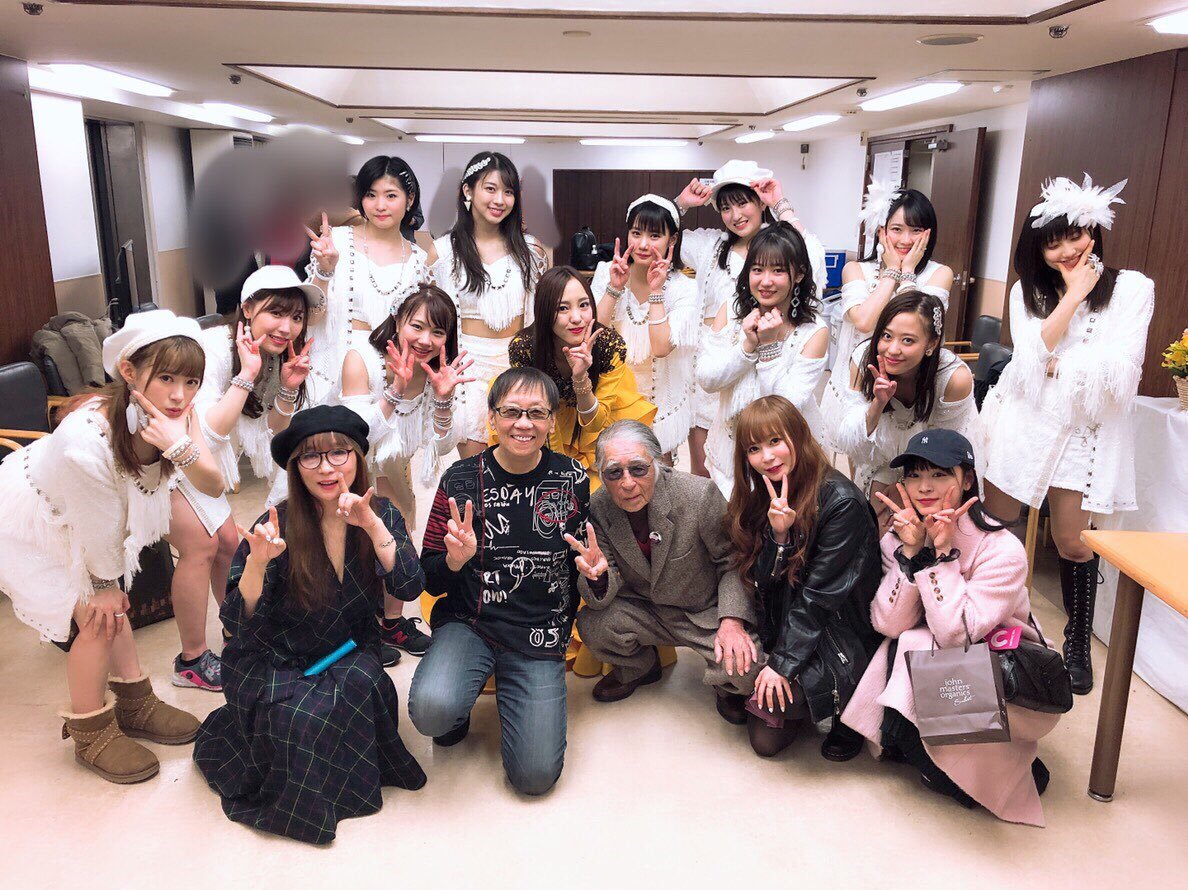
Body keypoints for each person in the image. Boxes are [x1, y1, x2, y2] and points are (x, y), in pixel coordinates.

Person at [0, 311, 221, 783]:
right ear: (129, 371)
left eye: (191, 381)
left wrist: (178, 444)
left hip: (90, 514)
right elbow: (97, 522)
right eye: (166, 378)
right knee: (98, 617)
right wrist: (102, 586)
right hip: (38, 518)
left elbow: (214, 483)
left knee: (114, 605)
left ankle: (135, 703)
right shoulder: (86, 439)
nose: (180, 395)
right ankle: (90, 732)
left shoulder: (175, 416)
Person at [194, 405, 427, 845]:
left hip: (345, 648)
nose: (326, 467)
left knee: (365, 684)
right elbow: (239, 624)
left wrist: (372, 525)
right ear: (295, 467)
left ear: (358, 457)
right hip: (274, 656)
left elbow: (410, 585)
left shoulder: (380, 514)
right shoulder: (276, 523)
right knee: (299, 716)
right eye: (310, 456)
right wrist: (258, 564)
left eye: (339, 452)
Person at [976, 174, 1151, 694]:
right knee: (998, 523)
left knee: (1073, 540)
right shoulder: (1026, 292)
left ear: (1094, 232)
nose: (1068, 250)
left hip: (1084, 431)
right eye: (1053, 243)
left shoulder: (1133, 289)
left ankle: (1077, 639)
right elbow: (1027, 361)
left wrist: (1055, 365)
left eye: (1075, 235)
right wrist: (1073, 296)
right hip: (1023, 420)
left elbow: (1122, 372)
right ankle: (997, 621)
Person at [842, 429, 1061, 826]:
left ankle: (996, 762)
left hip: (1001, 675)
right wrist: (912, 551)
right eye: (914, 475)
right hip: (930, 668)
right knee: (908, 643)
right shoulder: (901, 535)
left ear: (967, 480)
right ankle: (928, 745)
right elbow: (888, 623)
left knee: (916, 644)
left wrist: (942, 555)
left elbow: (957, 634)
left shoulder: (1002, 547)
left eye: (939, 474)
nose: (924, 487)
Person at [409, 368, 589, 795]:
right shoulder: (460, 480)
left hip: (539, 632)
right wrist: (454, 562)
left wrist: (596, 577)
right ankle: (458, 706)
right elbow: (428, 576)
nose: (523, 424)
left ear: (551, 421)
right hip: (470, 624)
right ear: (492, 417)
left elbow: (584, 569)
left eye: (536, 413)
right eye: (511, 412)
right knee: (432, 712)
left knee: (534, 778)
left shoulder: (573, 478)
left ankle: (516, 687)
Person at [180, 266, 323, 685]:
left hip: (200, 465)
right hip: (170, 455)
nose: (286, 327)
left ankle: (236, 635)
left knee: (229, 543)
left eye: (296, 317)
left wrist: (289, 386)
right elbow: (209, 433)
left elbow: (274, 430)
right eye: (275, 313)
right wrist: (245, 374)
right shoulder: (211, 349)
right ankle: (191, 659)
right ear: (246, 309)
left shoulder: (278, 358)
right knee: (204, 545)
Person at [568, 421, 761, 724]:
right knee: (594, 625)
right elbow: (605, 585)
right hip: (644, 609)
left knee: (747, 671)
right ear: (602, 475)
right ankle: (641, 668)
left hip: (702, 612)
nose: (627, 483)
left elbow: (733, 562)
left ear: (657, 463)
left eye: (638, 469)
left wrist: (732, 622)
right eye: (614, 473)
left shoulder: (699, 495)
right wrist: (599, 577)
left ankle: (726, 687)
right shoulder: (598, 507)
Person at [726, 395, 881, 759]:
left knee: (765, 734)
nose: (767, 457)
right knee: (763, 734)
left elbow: (819, 598)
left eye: (775, 441)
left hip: (837, 632)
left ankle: (848, 707)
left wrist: (781, 666)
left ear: (798, 436)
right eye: (754, 448)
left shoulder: (841, 501)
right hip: (786, 623)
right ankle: (802, 701)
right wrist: (779, 537)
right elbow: (761, 583)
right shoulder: (766, 493)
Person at [341, 283, 474, 656]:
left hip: (391, 467)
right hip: (339, 465)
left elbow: (441, 447)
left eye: (438, 331)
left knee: (397, 532)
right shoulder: (361, 360)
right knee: (349, 544)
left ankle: (391, 624)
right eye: (417, 326)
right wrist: (396, 390)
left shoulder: (439, 373)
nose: (425, 340)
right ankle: (352, 631)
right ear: (397, 321)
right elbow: (354, 437)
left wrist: (444, 400)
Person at [674, 161, 827, 475]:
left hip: (776, 391)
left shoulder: (810, 328)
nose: (735, 215)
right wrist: (680, 206)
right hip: (721, 366)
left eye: (743, 203)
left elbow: (810, 253)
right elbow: (657, 239)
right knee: (710, 471)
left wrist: (780, 203)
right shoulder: (712, 248)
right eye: (726, 208)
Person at [822, 290, 974, 532]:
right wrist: (878, 404)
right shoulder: (864, 359)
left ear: (931, 344)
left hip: (939, 468)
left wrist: (905, 486)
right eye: (886, 336)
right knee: (872, 519)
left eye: (908, 340)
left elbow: (945, 450)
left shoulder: (953, 378)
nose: (892, 349)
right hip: (883, 456)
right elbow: (853, 444)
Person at [697, 223, 830, 498]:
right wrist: (748, 346)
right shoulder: (730, 311)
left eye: (778, 270)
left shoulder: (813, 331)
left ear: (799, 273)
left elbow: (785, 408)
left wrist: (768, 348)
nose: (765, 281)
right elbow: (707, 379)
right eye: (757, 269)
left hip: (785, 459)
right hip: (730, 449)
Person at [431, 152, 549, 457]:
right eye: (490, 188)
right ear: (468, 191)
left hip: (517, 365)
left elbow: (541, 314)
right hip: (469, 369)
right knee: (477, 466)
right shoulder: (444, 251)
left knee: (519, 460)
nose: (500, 200)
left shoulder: (531, 251)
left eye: (508, 192)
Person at [508, 265, 656, 483]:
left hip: (597, 421)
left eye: (584, 305)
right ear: (544, 312)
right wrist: (557, 470)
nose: (577, 318)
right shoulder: (525, 348)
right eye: (562, 308)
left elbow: (596, 424)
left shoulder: (609, 346)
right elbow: (536, 417)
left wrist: (580, 378)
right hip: (544, 427)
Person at [303, 156, 435, 394]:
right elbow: (310, 318)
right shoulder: (335, 243)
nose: (380, 205)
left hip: (388, 379)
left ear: (410, 199)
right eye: (371, 195)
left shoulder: (419, 262)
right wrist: (324, 271)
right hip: (330, 373)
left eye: (391, 196)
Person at [591, 194, 699, 460]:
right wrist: (614, 288)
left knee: (658, 474)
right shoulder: (606, 272)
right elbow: (592, 336)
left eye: (654, 236)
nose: (642, 244)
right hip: (612, 398)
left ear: (672, 240)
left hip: (659, 402)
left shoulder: (684, 287)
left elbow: (661, 347)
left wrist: (657, 292)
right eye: (636, 233)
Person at [835, 182, 954, 373]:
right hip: (854, 377)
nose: (905, 240)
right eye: (897, 229)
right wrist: (892, 271)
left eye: (916, 230)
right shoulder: (855, 269)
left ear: (929, 234)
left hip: (909, 380)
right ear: (881, 231)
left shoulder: (940, 274)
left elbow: (917, 324)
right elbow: (864, 322)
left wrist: (908, 272)